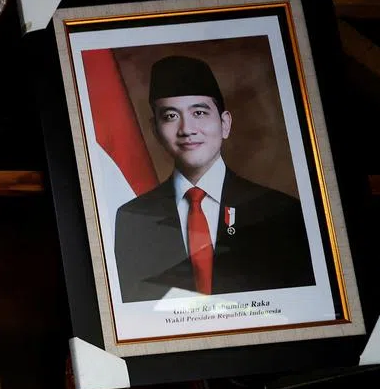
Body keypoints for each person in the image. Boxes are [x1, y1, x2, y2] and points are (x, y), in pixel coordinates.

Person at [113, 55, 314, 302]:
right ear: (155, 130)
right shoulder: (132, 219)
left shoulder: (282, 213)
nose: (187, 129)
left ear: (225, 123)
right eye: (170, 116)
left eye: (199, 112)